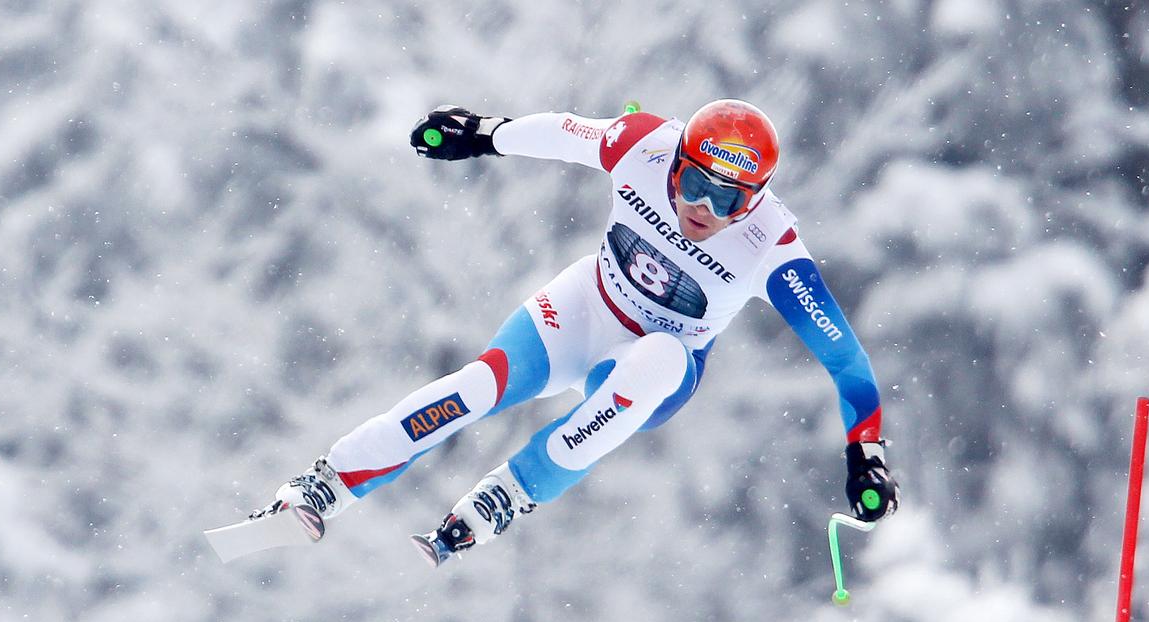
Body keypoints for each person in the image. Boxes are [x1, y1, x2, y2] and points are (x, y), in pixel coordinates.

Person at [256, 100, 899, 565]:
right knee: (476, 389)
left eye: (729, 200)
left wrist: (863, 452)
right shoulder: (644, 142)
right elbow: (565, 133)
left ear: (755, 201)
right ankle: (324, 486)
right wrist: (482, 135)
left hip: (655, 368)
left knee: (658, 357)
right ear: (675, 161)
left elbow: (845, 360)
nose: (704, 208)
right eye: (696, 184)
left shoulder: (771, 249)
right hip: (585, 306)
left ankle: (510, 492)